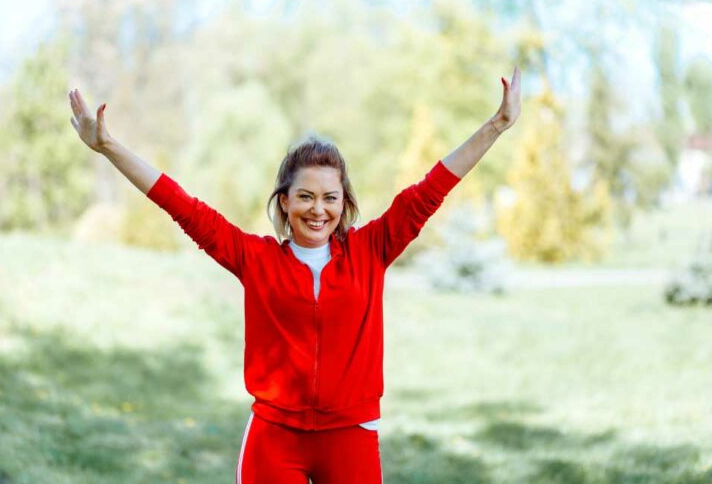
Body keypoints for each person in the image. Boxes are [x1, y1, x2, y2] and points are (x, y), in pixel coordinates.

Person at [68, 67, 521, 484]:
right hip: (275, 438)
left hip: (350, 435)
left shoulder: (372, 249)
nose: (318, 209)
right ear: (284, 201)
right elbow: (180, 204)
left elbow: (434, 187)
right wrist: (108, 147)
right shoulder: (255, 258)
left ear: (344, 202)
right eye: (305, 196)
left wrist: (496, 125)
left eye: (330, 197)